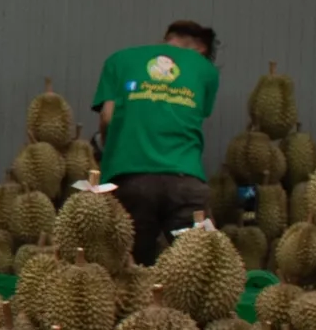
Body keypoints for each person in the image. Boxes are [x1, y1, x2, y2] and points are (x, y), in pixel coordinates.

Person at [91, 20, 220, 263]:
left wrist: (110, 152)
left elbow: (107, 117)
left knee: (131, 269)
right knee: (201, 266)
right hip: (186, 181)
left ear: (167, 37)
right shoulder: (206, 70)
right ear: (201, 49)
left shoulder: (119, 60)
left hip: (129, 177)